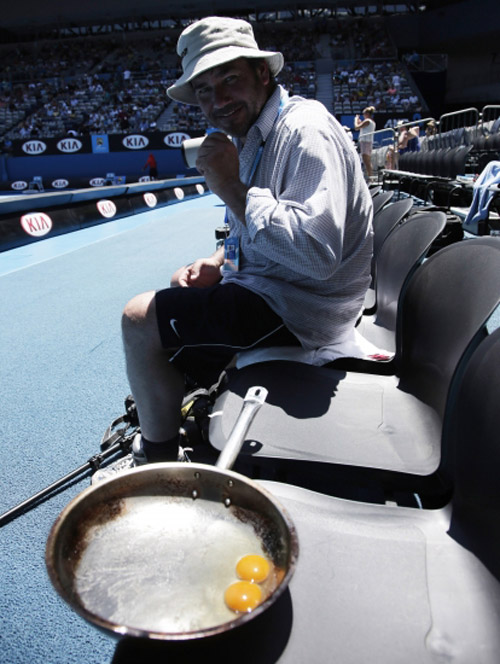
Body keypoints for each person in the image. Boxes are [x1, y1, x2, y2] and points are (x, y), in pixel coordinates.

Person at [113, 17, 373, 467]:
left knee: (138, 319)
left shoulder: (304, 130)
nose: (218, 100)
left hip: (304, 308)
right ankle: (187, 388)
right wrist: (219, 259)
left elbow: (316, 255)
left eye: (229, 79)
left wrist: (231, 187)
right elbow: (250, 224)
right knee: (183, 281)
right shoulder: (255, 135)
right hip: (282, 288)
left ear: (263, 74)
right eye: (204, 90)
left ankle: (157, 460)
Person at [354, 106, 376, 178]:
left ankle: (371, 178)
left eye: (364, 113)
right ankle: (370, 177)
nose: (363, 115)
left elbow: (356, 127)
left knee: (366, 161)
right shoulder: (371, 122)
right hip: (368, 142)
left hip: (365, 142)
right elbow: (360, 127)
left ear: (367, 114)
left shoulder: (367, 121)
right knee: (367, 161)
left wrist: (356, 119)